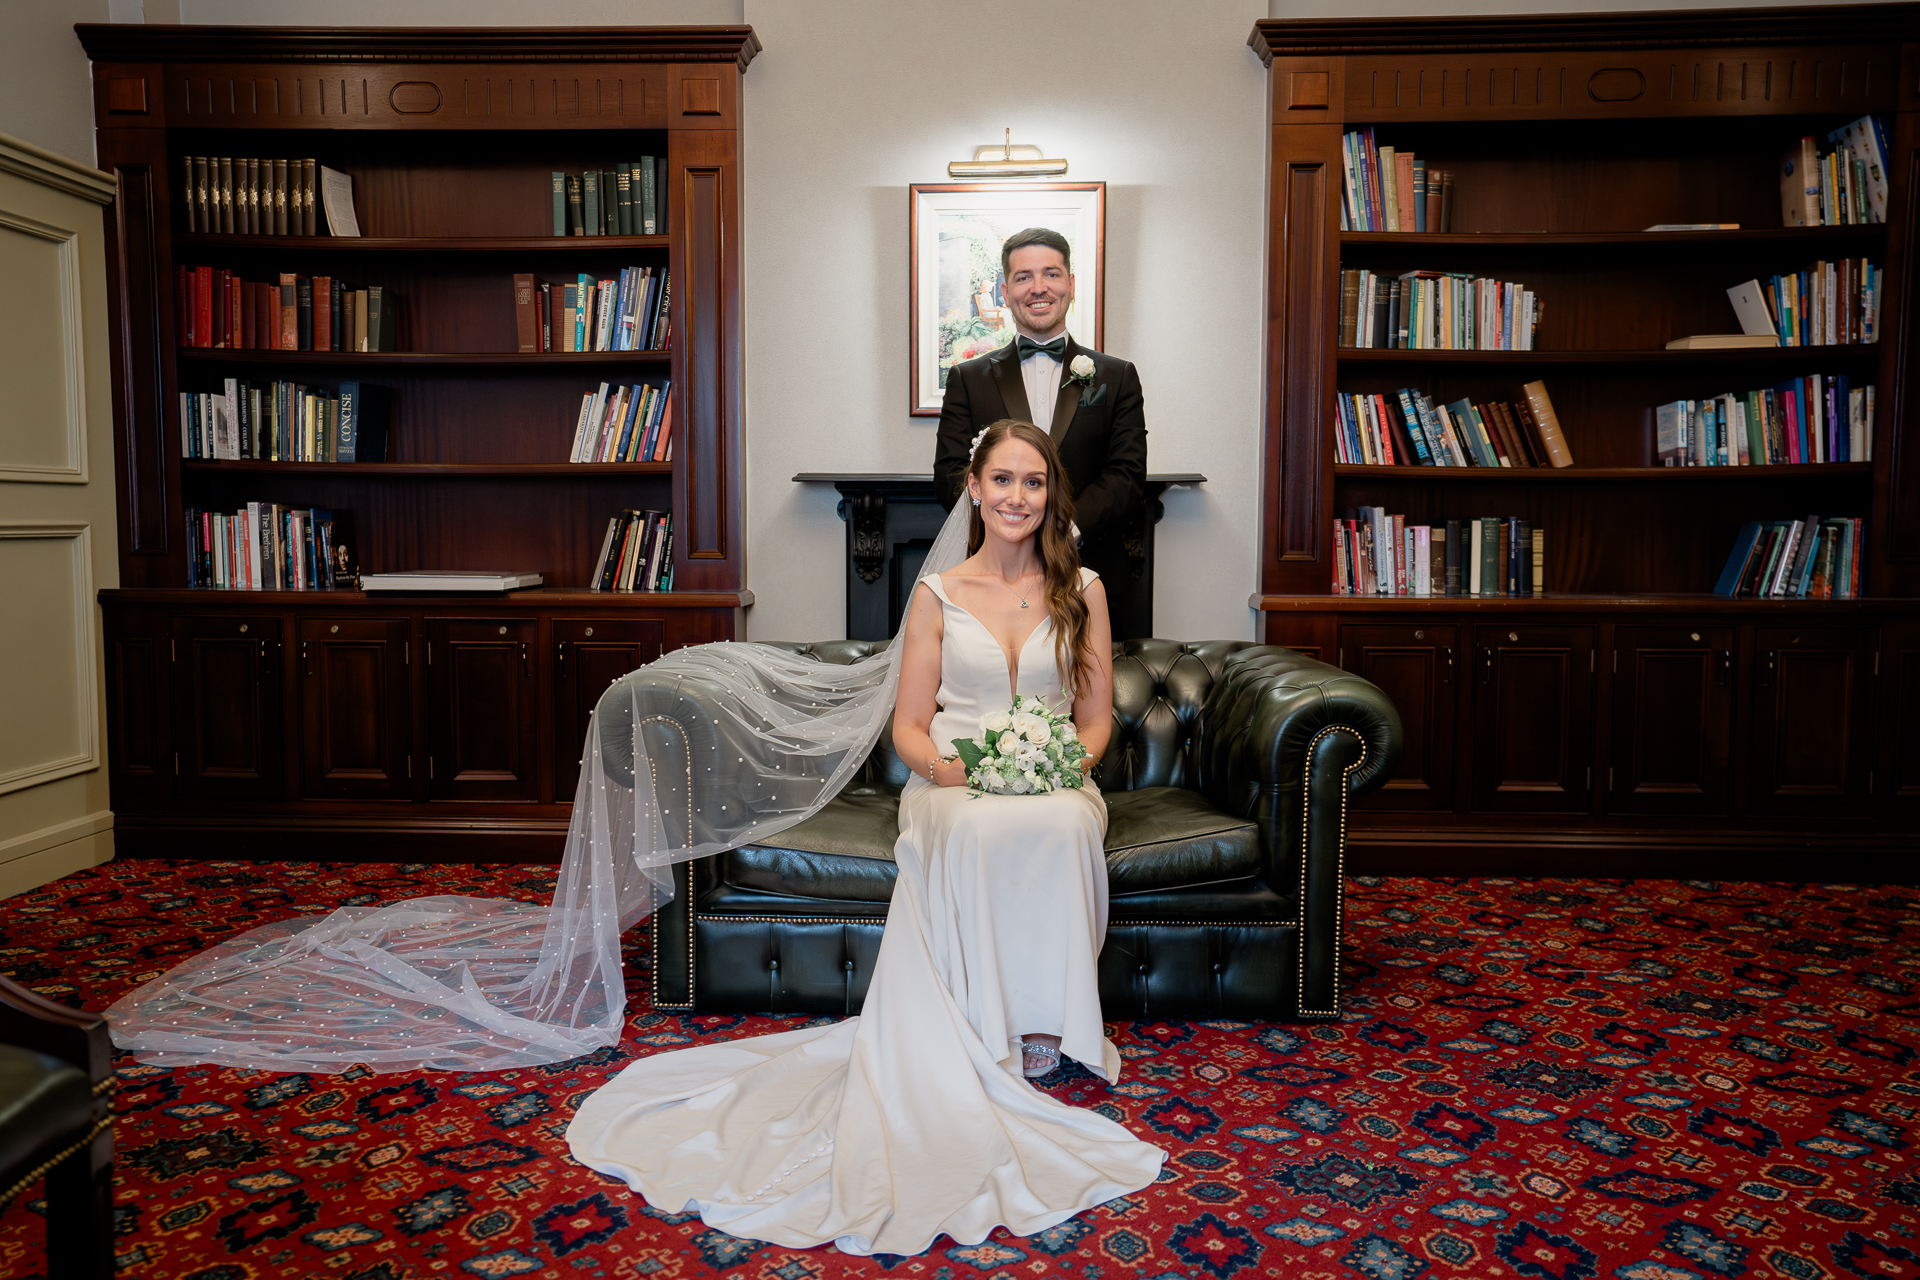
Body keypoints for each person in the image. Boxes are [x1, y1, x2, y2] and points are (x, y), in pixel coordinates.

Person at [566, 419, 1163, 1253]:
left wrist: (1062, 768)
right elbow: (911, 732)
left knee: (1064, 824)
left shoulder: (1085, 590)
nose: (1017, 497)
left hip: (1052, 774)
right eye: (1002, 481)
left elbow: (1096, 722)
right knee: (969, 829)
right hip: (953, 776)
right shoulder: (938, 593)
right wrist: (965, 773)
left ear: (1050, 495)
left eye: (1033, 483)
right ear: (976, 491)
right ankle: (980, 1024)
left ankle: (1046, 1024)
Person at [934, 228, 1149, 637]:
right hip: (993, 580)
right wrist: (1010, 532)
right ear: (1005, 289)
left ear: (1070, 285)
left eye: (1051, 274)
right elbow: (950, 473)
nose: (1038, 288)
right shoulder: (968, 378)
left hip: (1090, 575)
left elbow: (1126, 472)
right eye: (1023, 277)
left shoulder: (1117, 376)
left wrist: (1064, 530)